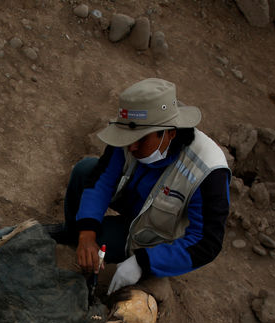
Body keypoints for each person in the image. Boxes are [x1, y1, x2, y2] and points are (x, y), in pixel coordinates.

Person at [54, 78, 230, 295]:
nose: (132, 146)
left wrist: (143, 262)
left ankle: (129, 257)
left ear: (170, 133)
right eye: (129, 139)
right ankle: (74, 235)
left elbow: (206, 243)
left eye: (141, 140)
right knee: (85, 170)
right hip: (132, 201)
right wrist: (86, 233)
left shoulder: (208, 170)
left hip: (155, 235)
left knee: (103, 251)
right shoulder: (129, 135)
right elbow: (103, 180)